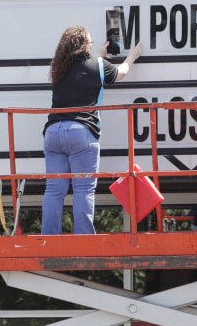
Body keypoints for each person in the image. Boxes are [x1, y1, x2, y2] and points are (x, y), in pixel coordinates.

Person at [42, 26, 142, 235]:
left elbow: (81, 72)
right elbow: (120, 73)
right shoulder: (96, 65)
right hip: (80, 132)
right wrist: (132, 56)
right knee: (83, 189)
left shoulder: (58, 67)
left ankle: (48, 237)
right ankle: (84, 237)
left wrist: (99, 56)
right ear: (85, 45)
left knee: (54, 190)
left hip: (53, 133)